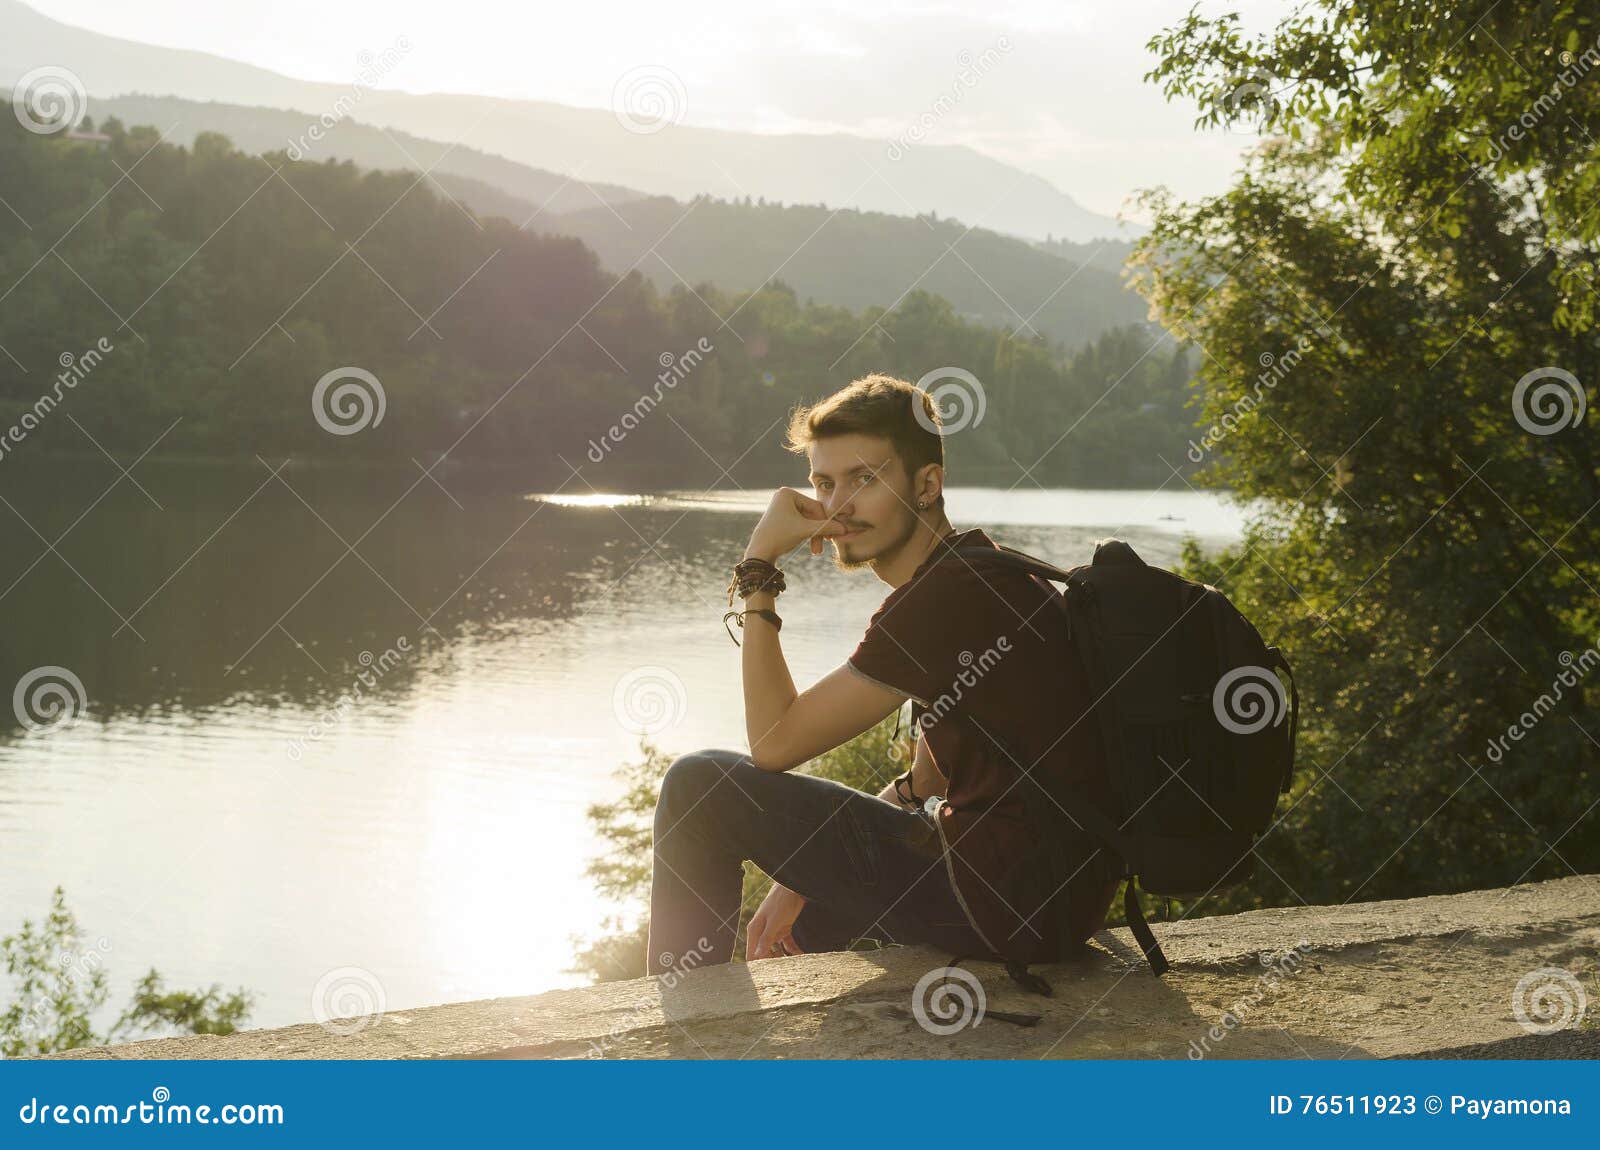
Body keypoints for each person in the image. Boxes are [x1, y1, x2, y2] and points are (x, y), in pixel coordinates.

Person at [645, 372, 1119, 980]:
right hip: (1056, 902)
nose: (838, 504)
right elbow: (928, 778)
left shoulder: (943, 599)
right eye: (824, 482)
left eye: (864, 479)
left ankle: (677, 1036)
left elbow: (773, 743)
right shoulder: (986, 571)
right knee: (810, 922)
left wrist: (760, 566)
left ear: (927, 484)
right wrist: (799, 880)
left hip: (1005, 904)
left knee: (697, 790)